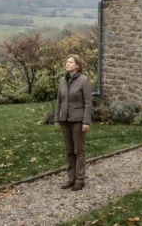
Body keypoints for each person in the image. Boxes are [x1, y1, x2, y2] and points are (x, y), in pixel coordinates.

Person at [54, 54, 93, 191]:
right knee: (69, 150)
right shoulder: (62, 81)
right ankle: (71, 178)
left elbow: (88, 103)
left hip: (78, 120)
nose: (67, 64)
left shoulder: (84, 81)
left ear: (77, 65)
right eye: (67, 62)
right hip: (64, 120)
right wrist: (57, 118)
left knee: (79, 150)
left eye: (70, 62)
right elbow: (59, 101)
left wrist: (86, 122)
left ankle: (80, 179)